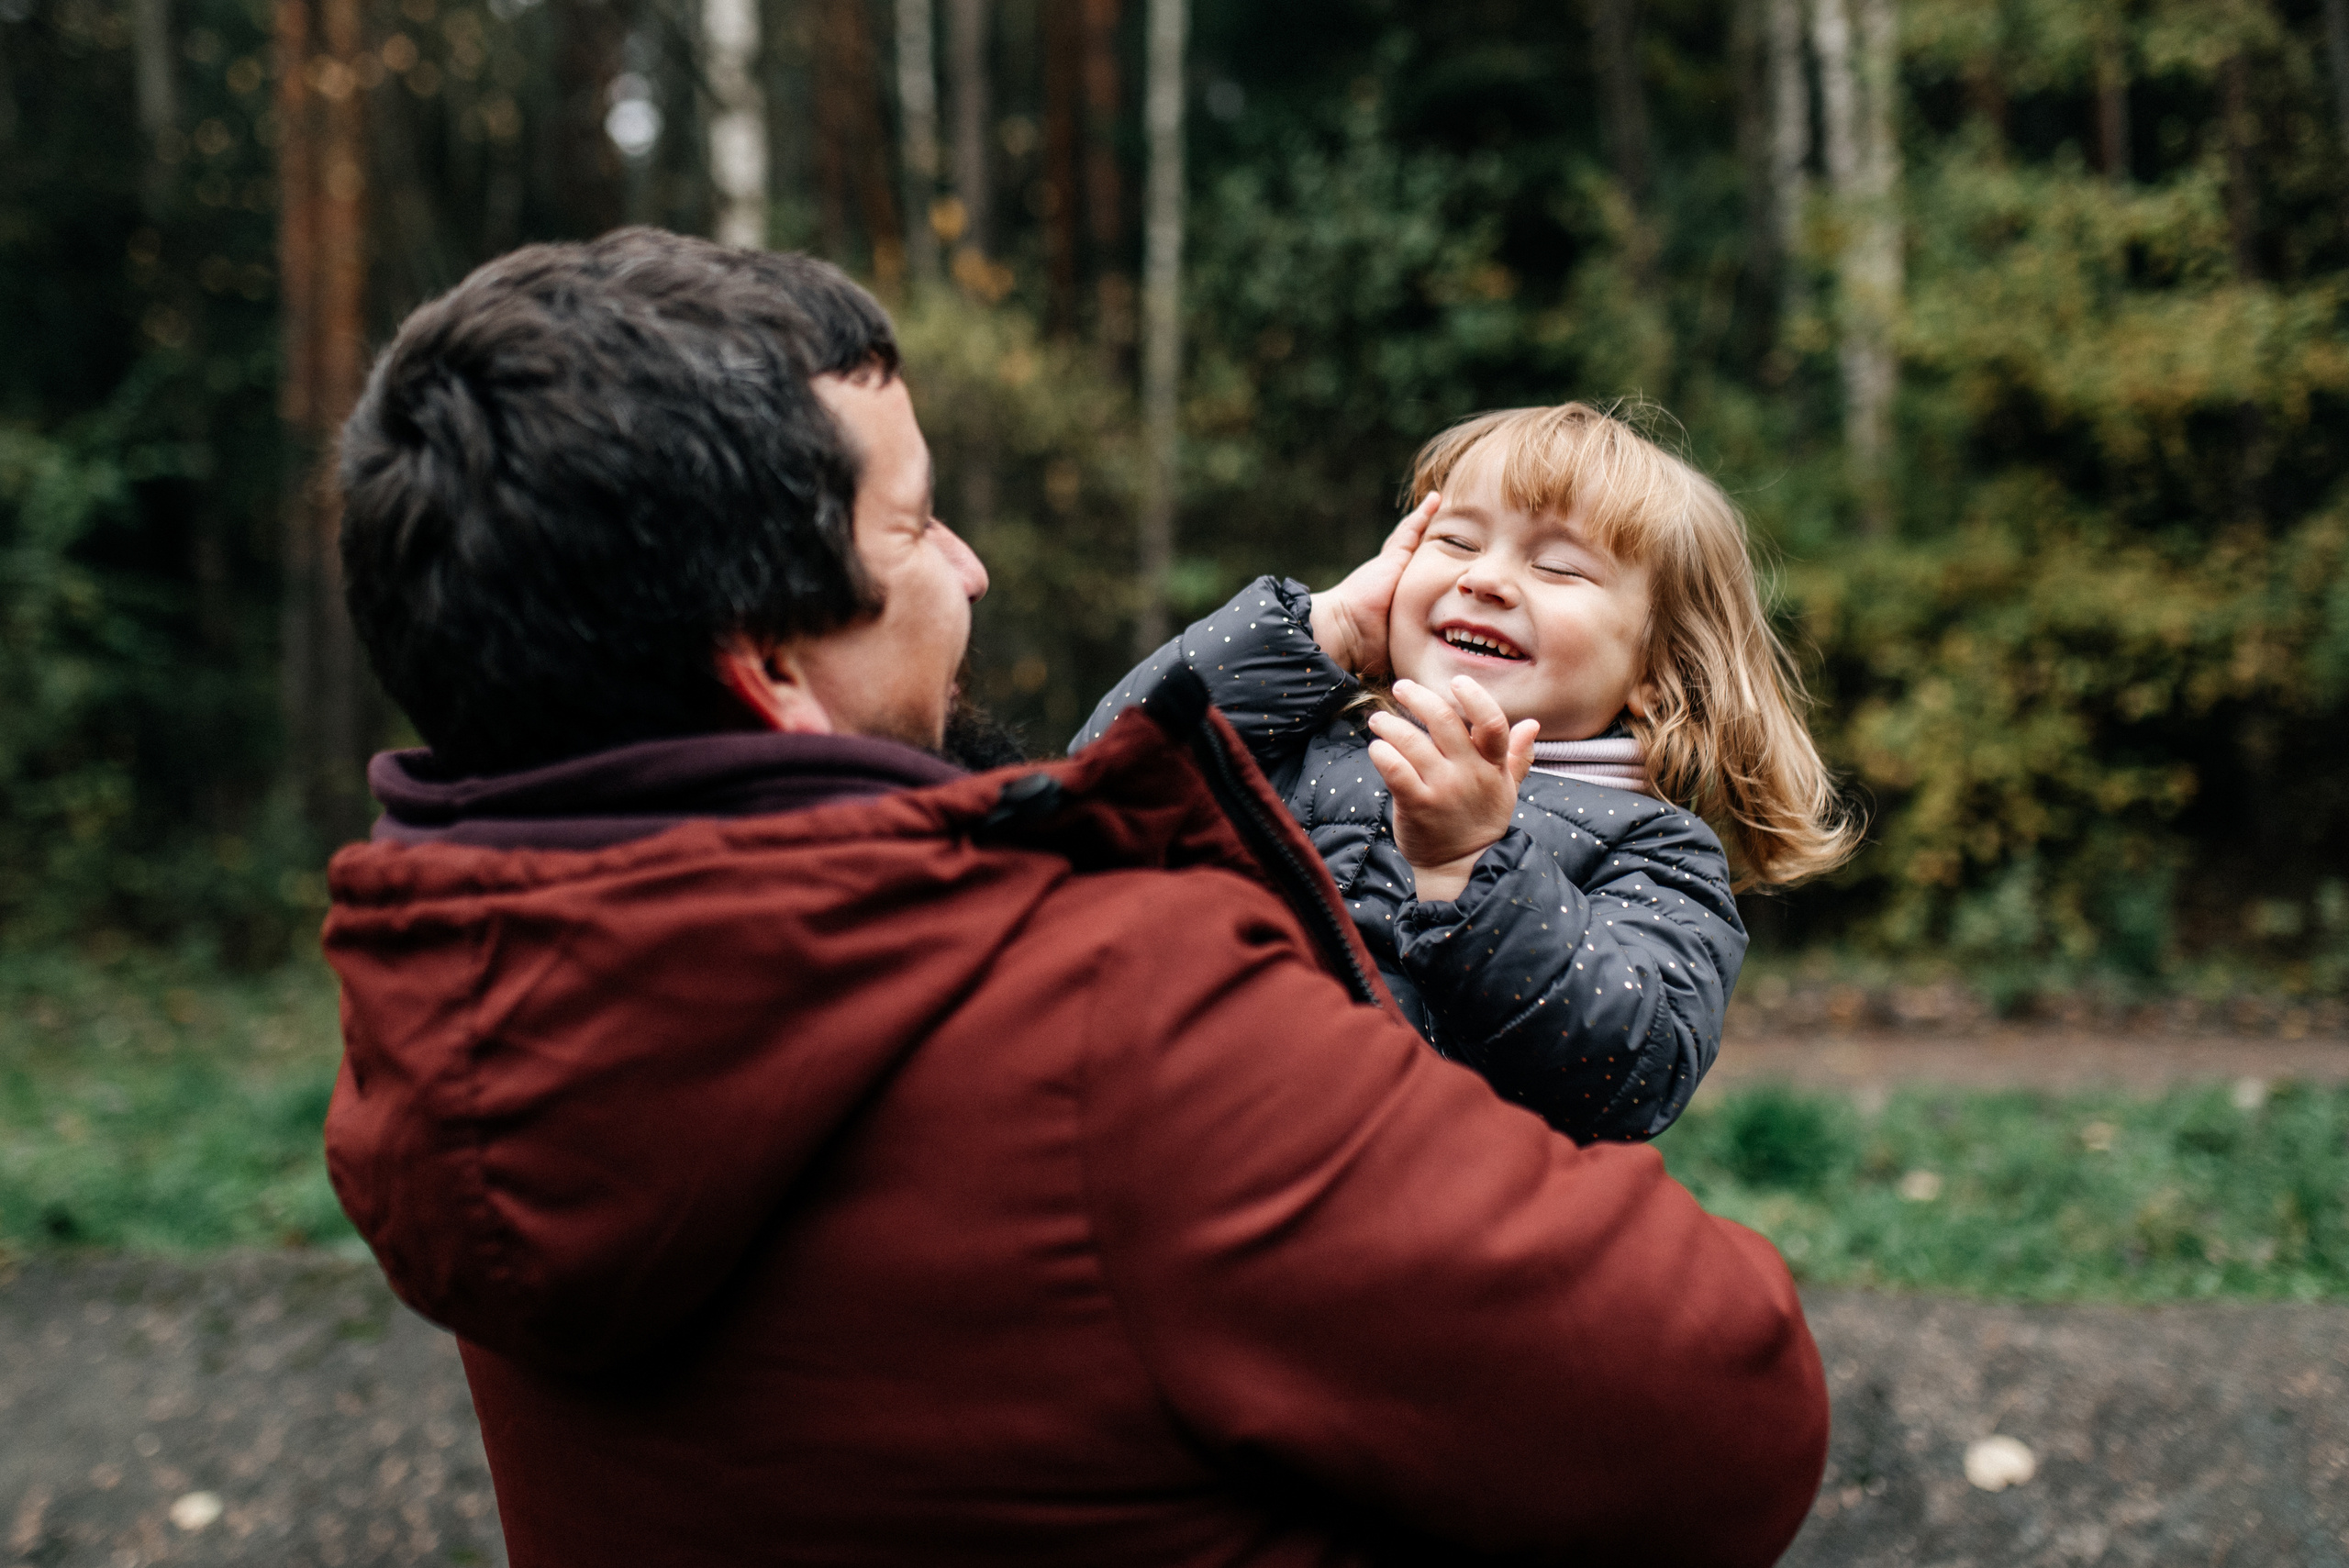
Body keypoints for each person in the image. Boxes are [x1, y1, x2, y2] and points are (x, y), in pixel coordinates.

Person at [323, 228, 1829, 1568]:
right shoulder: (1125, 1028)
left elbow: (1112, 778)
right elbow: (1730, 1412)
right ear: (770, 666)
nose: (971, 571)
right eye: (916, 525)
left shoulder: (479, 990)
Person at [1074, 404, 1857, 1144]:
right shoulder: (1297, 737)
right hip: (1173, 1147)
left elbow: (1633, 1066)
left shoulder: (1653, 850)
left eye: (1558, 567)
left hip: (1404, 1223)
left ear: (1659, 671)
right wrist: (1331, 625)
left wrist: (1472, 864)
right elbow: (1097, 785)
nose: (1484, 578)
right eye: (1454, 542)